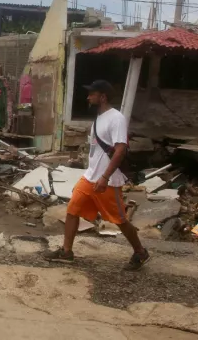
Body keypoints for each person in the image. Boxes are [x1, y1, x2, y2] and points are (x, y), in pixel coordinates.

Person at [43, 79, 150, 271]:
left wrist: (105, 177)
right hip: (90, 176)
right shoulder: (99, 119)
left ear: (103, 97)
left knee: (120, 220)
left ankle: (140, 251)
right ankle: (67, 252)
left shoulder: (116, 118)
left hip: (107, 180)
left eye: (92, 94)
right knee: (72, 210)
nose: (88, 97)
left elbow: (120, 150)